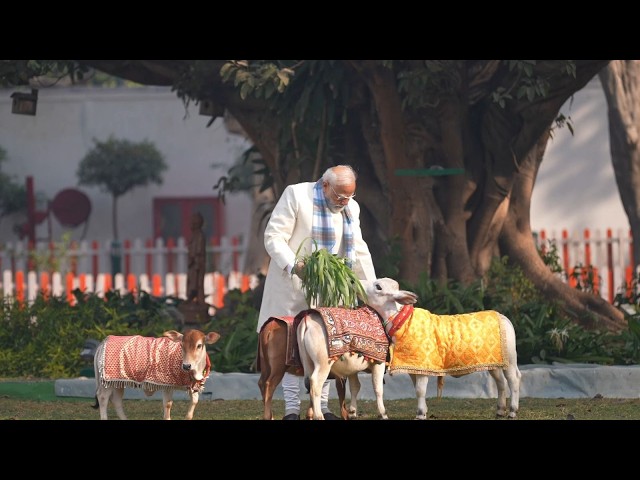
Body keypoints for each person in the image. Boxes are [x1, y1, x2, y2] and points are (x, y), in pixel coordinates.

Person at [257, 164, 377, 420]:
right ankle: (291, 409)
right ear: (325, 185)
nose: (344, 201)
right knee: (290, 348)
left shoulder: (350, 209)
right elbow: (274, 236)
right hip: (293, 287)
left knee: (327, 348)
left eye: (349, 196)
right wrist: (295, 266)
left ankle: (321, 407)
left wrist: (371, 289)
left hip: (331, 293)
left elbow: (358, 250)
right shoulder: (296, 195)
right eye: (339, 196)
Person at [186, 211, 206, 304]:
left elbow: (198, 250)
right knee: (192, 282)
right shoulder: (195, 235)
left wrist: (193, 259)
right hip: (193, 264)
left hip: (197, 264)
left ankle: (198, 300)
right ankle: (192, 299)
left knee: (197, 284)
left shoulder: (199, 236)